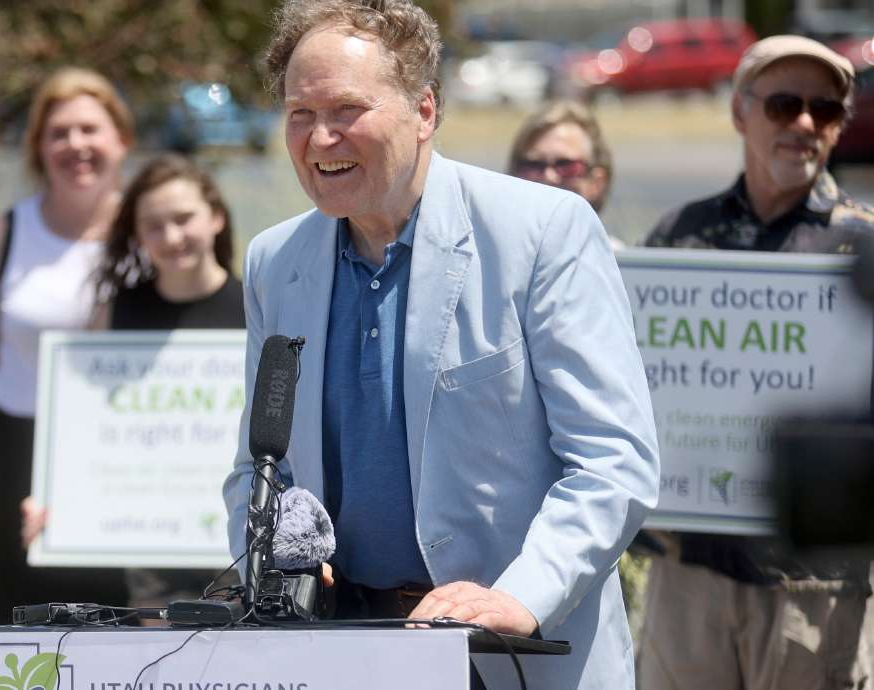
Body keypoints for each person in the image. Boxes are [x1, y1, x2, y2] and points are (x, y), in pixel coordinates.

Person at [220, 2, 659, 689]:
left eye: (346, 109)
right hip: (342, 656)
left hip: (512, 658)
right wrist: (273, 560)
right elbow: (258, 468)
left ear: (424, 111)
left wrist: (521, 595)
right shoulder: (275, 261)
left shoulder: (543, 232)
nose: (319, 137)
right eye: (300, 114)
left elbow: (613, 460)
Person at [638, 36, 874, 690]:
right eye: (784, 104)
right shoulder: (678, 236)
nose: (803, 124)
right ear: (742, 113)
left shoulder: (865, 244)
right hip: (692, 574)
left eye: (824, 111)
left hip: (816, 585)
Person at [0, 67, 132, 625]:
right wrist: (37, 396)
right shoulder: (0, 234)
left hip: (122, 460)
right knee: (23, 638)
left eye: (90, 129)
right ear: (38, 149)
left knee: (121, 636)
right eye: (59, 133)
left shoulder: (152, 231)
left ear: (121, 140)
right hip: (15, 454)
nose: (76, 145)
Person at [21, 154, 245, 610]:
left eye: (184, 219)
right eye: (154, 226)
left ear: (216, 217)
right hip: (146, 542)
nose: (172, 237)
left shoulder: (255, 308)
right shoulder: (116, 313)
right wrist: (56, 496)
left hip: (236, 538)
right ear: (138, 236)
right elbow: (86, 426)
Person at [508, 100, 625, 249]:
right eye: (534, 165)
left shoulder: (617, 264)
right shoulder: (490, 261)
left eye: (566, 166)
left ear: (597, 183)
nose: (548, 177)